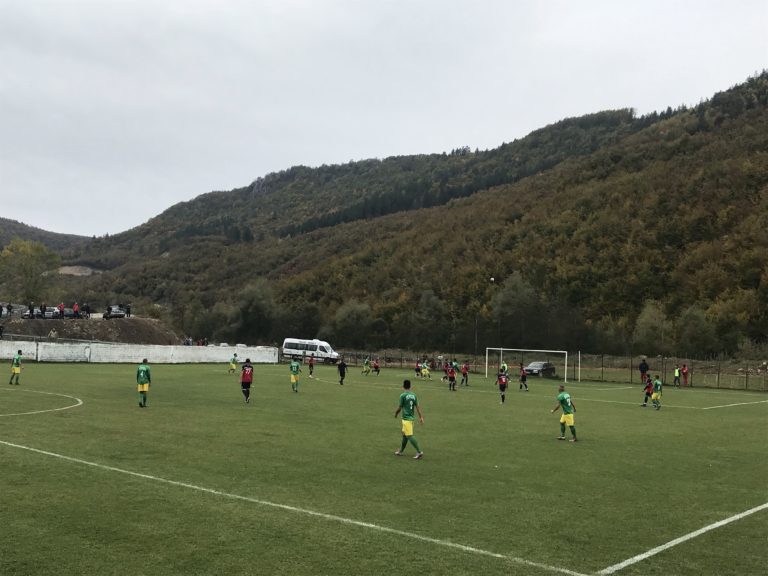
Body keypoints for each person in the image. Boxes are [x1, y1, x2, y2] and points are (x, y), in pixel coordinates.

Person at [394, 379, 424, 459]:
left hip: (406, 419)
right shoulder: (414, 395)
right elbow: (417, 407)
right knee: (404, 435)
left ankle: (419, 451)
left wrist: (396, 413)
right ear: (410, 386)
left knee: (409, 436)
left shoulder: (402, 395)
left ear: (403, 386)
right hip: (411, 418)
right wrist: (421, 417)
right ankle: (401, 451)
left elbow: (400, 407)